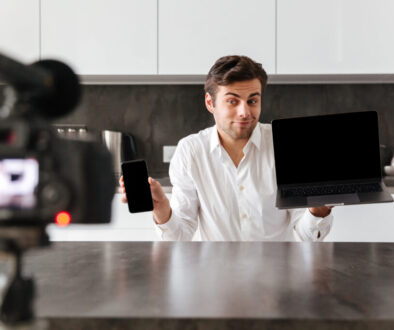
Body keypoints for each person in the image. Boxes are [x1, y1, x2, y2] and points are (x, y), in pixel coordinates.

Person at [120, 55, 333, 241]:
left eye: (252, 101)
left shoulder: (286, 145)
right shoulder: (191, 151)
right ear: (210, 103)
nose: (244, 112)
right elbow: (180, 236)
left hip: (276, 278)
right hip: (214, 279)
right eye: (232, 101)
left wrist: (319, 208)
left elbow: (306, 235)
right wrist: (162, 209)